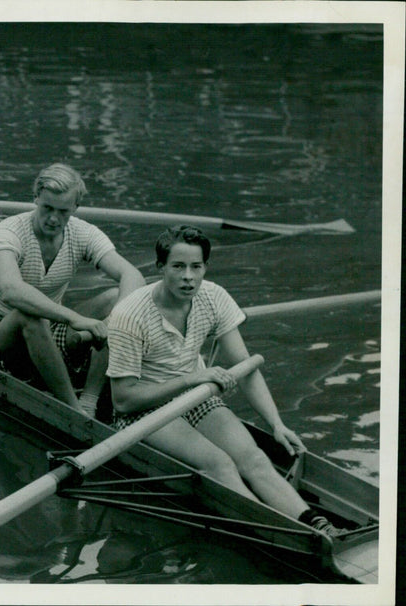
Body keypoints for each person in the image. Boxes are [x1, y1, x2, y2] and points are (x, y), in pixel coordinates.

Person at [106, 225, 342, 537]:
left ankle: (317, 526)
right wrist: (191, 379)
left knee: (254, 458)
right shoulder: (130, 315)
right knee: (219, 464)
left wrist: (276, 424)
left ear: (205, 267)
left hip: (196, 396)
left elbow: (246, 368)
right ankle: (281, 533)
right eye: (178, 267)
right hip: (144, 412)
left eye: (196, 266)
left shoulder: (214, 297)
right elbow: (122, 400)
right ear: (160, 267)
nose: (188, 277)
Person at [0, 163, 146, 416]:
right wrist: (77, 319)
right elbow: (11, 291)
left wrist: (115, 321)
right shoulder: (7, 233)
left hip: (50, 325)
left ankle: (90, 399)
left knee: (118, 300)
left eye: (63, 211)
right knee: (29, 314)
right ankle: (73, 410)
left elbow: (132, 275)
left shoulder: (83, 233)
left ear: (75, 208)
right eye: (47, 208)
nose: (54, 218)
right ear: (35, 198)